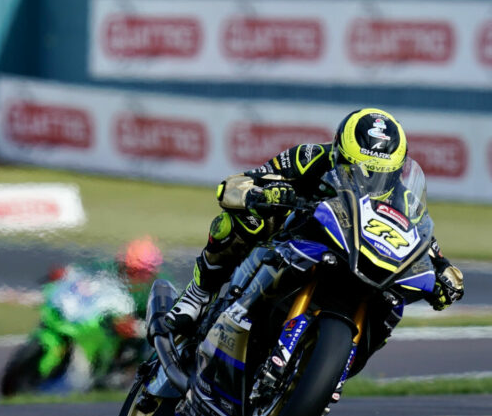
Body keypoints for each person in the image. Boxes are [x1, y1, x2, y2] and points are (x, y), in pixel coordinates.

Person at [160, 107, 464, 342]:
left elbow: (424, 243)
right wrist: (264, 192)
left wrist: (445, 271)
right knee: (242, 223)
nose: (370, 179)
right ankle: (197, 295)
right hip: (293, 242)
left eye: (380, 173)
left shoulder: (405, 199)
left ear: (397, 170)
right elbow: (232, 186)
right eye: (359, 169)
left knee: (393, 301)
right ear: (338, 153)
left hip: (355, 259)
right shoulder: (310, 157)